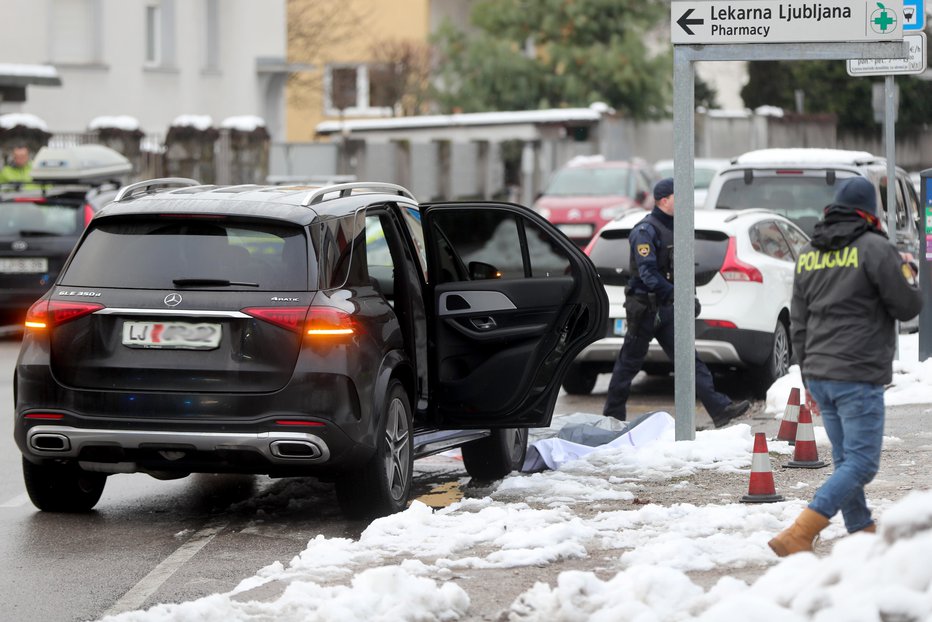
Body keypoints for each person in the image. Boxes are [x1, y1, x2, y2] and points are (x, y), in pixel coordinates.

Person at [768, 176, 922, 557]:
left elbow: (799, 322)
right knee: (863, 463)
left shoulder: (808, 252)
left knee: (844, 460)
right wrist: (910, 274)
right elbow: (907, 306)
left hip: (820, 372)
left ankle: (861, 534)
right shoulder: (874, 247)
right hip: (857, 372)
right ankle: (801, 531)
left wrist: (806, 378)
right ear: (870, 212)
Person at [602, 177, 751, 427]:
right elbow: (648, 274)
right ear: (663, 200)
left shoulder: (676, 228)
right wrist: (677, 296)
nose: (684, 202)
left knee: (689, 360)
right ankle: (612, 418)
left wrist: (689, 297)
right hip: (645, 309)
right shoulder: (645, 231)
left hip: (666, 308)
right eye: (678, 197)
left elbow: (681, 268)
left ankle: (720, 409)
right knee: (628, 365)